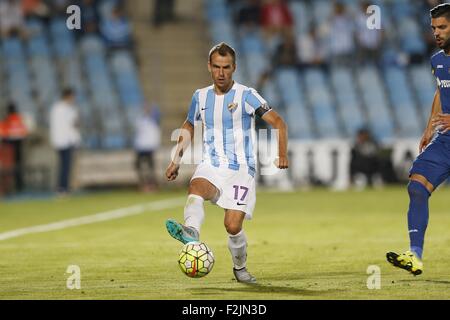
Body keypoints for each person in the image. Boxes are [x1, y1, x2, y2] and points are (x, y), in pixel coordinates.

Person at [164, 43, 289, 283]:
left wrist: (282, 153)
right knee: (196, 188)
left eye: (226, 67)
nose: (221, 73)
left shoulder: (247, 95)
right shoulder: (199, 96)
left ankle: (240, 269)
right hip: (211, 163)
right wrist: (176, 158)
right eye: (216, 67)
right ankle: (191, 231)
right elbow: (189, 124)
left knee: (232, 226)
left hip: (242, 169)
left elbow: (279, 122)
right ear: (208, 67)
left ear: (234, 68)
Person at [387, 3, 450, 276]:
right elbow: (440, 92)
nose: (437, 33)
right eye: (434, 28)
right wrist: (428, 128)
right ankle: (415, 254)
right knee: (416, 186)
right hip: (446, 140)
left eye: (443, 27)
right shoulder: (437, 60)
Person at [49, 88, 81, 195]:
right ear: (68, 96)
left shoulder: (57, 108)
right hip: (65, 141)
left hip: (61, 140)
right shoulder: (65, 109)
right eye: (72, 96)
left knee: (64, 166)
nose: (73, 99)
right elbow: (74, 124)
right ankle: (63, 188)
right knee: (65, 166)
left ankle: (63, 187)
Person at [134, 103, 161, 192]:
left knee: (150, 168)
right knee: (139, 167)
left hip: (149, 147)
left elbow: (157, 115)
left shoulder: (153, 120)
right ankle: (144, 184)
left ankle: (152, 185)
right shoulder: (141, 120)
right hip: (141, 146)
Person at [2, 103, 28, 192]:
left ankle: (9, 186)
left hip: (9, 147)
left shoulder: (7, 120)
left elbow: (3, 134)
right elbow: (24, 132)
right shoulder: (19, 118)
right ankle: (19, 185)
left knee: (9, 167)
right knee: (18, 166)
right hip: (19, 145)